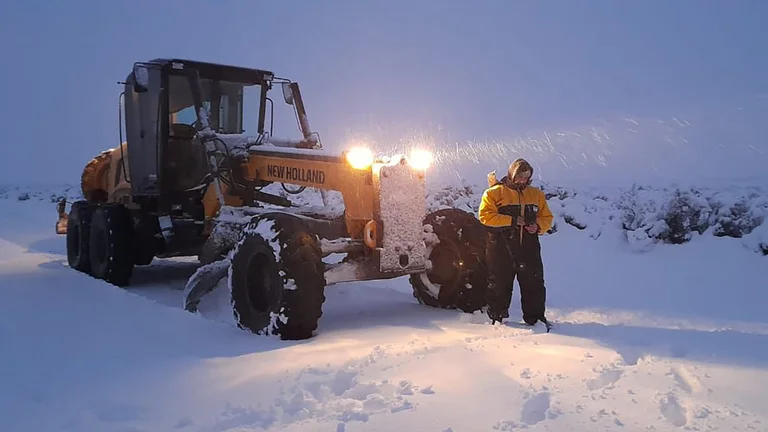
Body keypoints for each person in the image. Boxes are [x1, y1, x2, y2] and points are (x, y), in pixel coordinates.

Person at [477, 158, 554, 327]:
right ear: (511, 174)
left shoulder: (536, 195)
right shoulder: (494, 193)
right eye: (519, 176)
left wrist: (538, 226)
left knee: (534, 283)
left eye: (526, 177)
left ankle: (536, 318)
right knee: (499, 283)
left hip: (529, 247)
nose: (522, 180)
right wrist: (512, 221)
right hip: (500, 246)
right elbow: (485, 217)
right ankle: (497, 317)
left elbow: (547, 217)